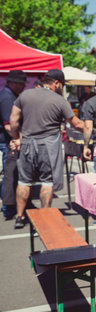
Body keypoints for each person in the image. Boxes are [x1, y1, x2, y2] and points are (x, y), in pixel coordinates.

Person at [9, 69, 84, 228]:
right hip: (48, 145)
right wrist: (90, 129)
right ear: (56, 83)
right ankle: (44, 218)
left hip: (27, 143)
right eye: (62, 85)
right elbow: (76, 124)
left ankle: (20, 217)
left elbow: (13, 120)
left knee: (24, 181)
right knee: (47, 182)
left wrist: (16, 138)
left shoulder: (25, 95)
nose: (62, 88)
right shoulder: (59, 100)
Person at [0, 70, 27, 220]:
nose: (23, 87)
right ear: (14, 83)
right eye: (22, 84)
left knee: (11, 174)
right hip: (6, 141)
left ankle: (10, 205)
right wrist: (18, 139)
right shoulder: (7, 97)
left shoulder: (9, 95)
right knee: (10, 174)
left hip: (7, 140)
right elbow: (8, 125)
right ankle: (8, 207)